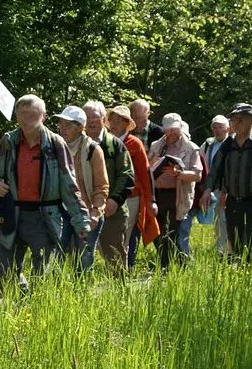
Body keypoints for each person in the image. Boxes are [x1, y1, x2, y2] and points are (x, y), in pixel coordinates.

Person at [0, 95, 92, 283]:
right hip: (11, 214)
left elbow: (69, 183)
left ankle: (37, 308)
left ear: (44, 116)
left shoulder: (56, 143)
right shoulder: (8, 141)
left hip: (44, 216)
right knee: (5, 272)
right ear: (16, 116)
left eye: (32, 114)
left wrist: (80, 219)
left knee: (44, 273)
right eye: (22, 114)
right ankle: (12, 307)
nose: (26, 119)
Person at [200, 103, 252, 259]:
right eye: (233, 119)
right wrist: (207, 190)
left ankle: (250, 271)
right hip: (233, 201)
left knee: (251, 241)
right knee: (235, 240)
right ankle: (240, 272)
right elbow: (216, 168)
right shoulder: (228, 143)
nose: (235, 123)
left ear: (251, 121)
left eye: (239, 120)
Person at [53, 106, 109, 274]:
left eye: (68, 125)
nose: (63, 129)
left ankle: (82, 295)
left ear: (80, 127)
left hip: (86, 212)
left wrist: (95, 211)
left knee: (83, 260)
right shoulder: (55, 148)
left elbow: (102, 186)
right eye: (61, 125)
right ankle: (55, 295)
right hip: (60, 211)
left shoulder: (92, 149)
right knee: (55, 257)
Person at [83, 101, 136, 276]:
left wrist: (114, 199)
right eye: (87, 117)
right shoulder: (75, 144)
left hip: (112, 212)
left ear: (103, 119)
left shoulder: (115, 145)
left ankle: (120, 297)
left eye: (95, 117)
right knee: (81, 257)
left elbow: (127, 175)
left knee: (115, 258)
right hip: (82, 211)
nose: (91, 121)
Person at [107, 105, 158, 270]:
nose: (113, 124)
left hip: (131, 196)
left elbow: (144, 173)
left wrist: (150, 200)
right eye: (111, 120)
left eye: (117, 121)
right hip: (109, 196)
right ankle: (114, 267)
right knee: (109, 234)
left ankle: (124, 268)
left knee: (126, 234)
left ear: (126, 124)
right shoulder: (106, 141)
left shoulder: (134, 143)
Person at [147, 115, 202, 268]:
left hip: (177, 195)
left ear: (180, 127)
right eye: (168, 129)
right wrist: (152, 162)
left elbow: (197, 175)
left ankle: (168, 266)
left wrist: (178, 173)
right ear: (163, 129)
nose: (172, 132)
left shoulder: (191, 148)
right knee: (156, 232)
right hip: (156, 194)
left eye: (175, 129)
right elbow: (146, 167)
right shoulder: (156, 145)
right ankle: (173, 262)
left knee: (172, 232)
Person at [200, 115, 231, 254]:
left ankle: (225, 248)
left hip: (227, 187)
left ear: (228, 129)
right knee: (218, 218)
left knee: (225, 218)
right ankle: (221, 245)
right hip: (212, 187)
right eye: (215, 127)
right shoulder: (208, 144)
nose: (217, 130)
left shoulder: (232, 144)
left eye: (220, 127)